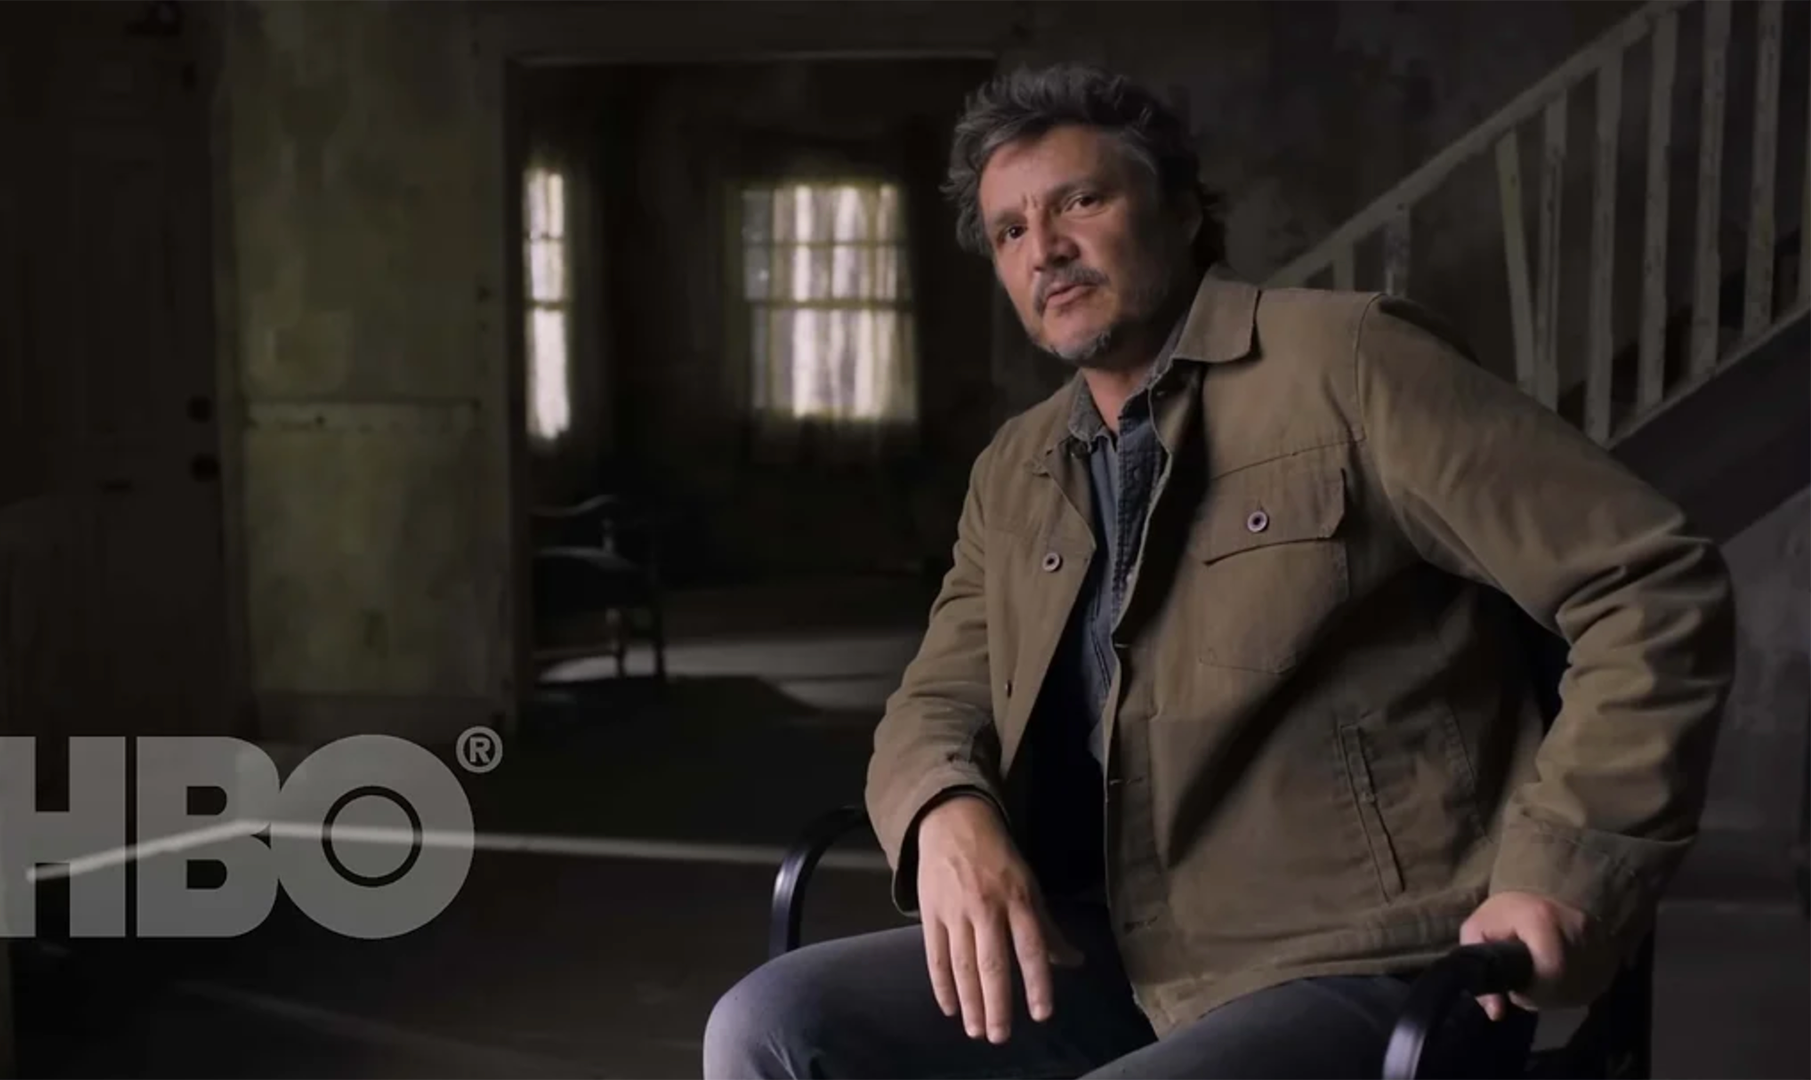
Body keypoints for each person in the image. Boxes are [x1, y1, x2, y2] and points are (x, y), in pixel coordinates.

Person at [704, 62, 1736, 1080]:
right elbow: (935, 698)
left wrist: (1561, 873)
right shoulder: (1015, 469)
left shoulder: (1351, 365)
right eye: (1011, 231)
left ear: (1185, 210)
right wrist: (945, 814)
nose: (1045, 249)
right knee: (770, 1025)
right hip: (1108, 948)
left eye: (1080, 202)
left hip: (1365, 960)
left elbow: (1648, 580)